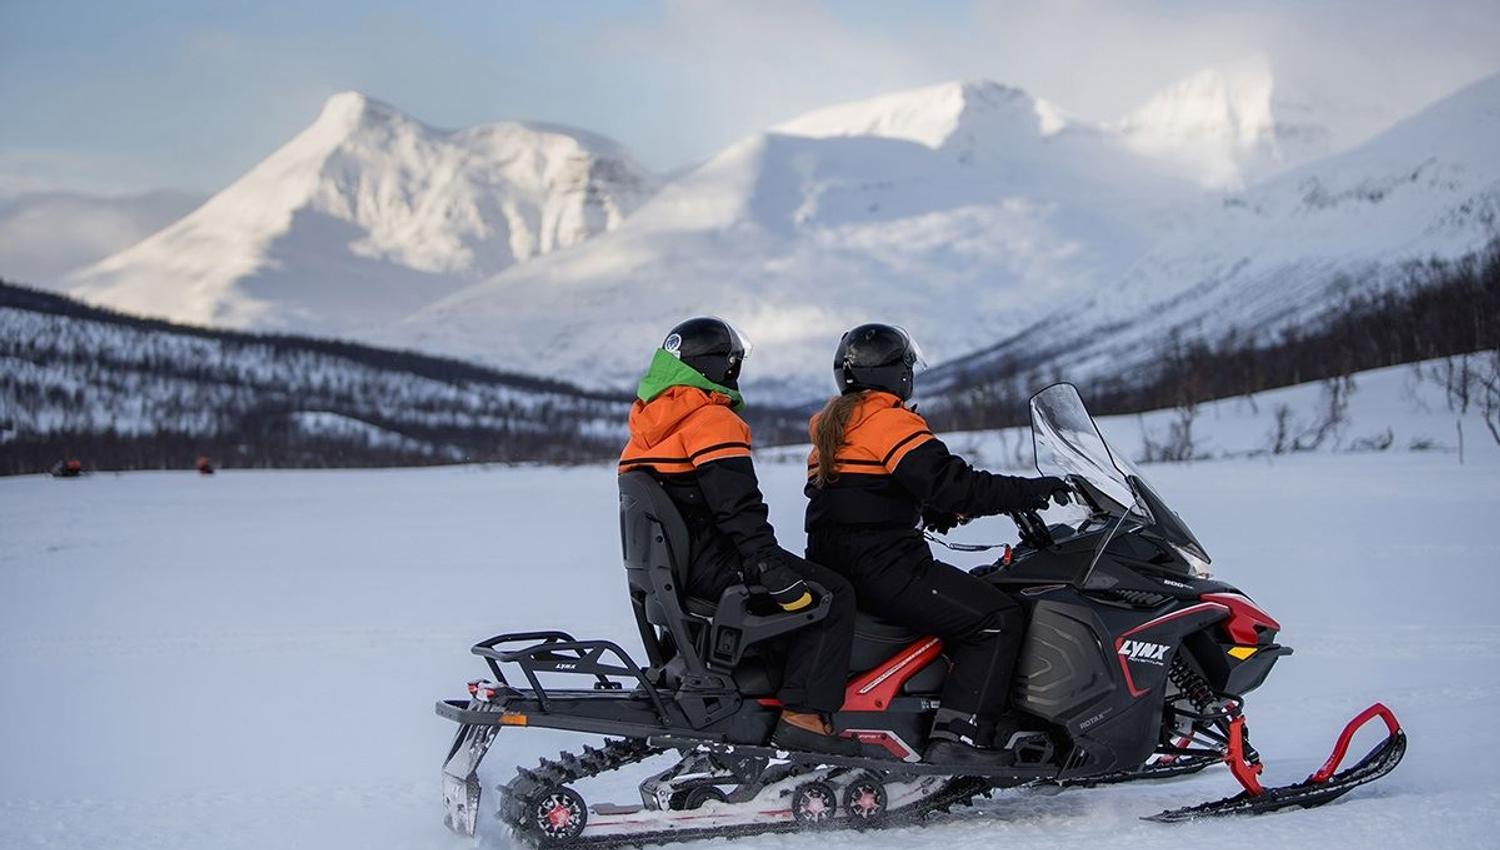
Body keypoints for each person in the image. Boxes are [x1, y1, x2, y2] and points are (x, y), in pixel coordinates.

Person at [803, 323, 1071, 766]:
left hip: (843, 564)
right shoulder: (887, 420)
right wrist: (1030, 491)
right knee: (997, 617)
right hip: (884, 568)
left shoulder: (837, 423)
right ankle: (959, 737)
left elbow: (860, 495)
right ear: (898, 372)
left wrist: (932, 511)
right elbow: (955, 484)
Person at [619, 317, 860, 756]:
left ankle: (765, 695)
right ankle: (804, 717)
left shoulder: (649, 422)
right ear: (719, 366)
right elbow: (737, 506)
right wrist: (768, 565)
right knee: (833, 594)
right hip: (716, 566)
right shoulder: (711, 419)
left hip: (677, 571)